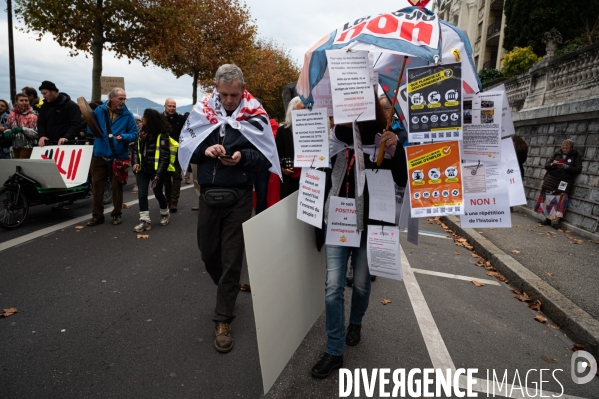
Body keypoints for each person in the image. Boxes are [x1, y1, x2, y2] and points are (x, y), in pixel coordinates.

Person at [182, 64, 280, 353]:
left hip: (238, 196)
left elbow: (265, 156)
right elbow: (188, 146)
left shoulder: (255, 112)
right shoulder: (201, 111)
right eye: (223, 94)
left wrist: (241, 157)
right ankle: (229, 286)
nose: (228, 100)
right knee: (208, 252)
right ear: (215, 88)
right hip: (210, 196)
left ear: (243, 89)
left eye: (234, 95)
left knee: (232, 257)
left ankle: (223, 319)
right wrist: (205, 150)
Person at [311, 100, 407, 379]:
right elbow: (316, 169)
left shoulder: (386, 137)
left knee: (362, 284)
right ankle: (333, 350)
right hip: (339, 220)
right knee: (333, 287)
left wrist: (394, 149)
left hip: (373, 224)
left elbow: (402, 179)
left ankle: (356, 322)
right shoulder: (335, 137)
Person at [86, 87, 138, 226]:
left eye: (124, 99)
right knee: (97, 187)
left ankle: (117, 214)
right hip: (99, 154)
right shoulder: (99, 110)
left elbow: (134, 133)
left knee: (117, 187)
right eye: (120, 99)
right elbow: (90, 128)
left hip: (118, 155)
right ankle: (97, 216)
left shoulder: (128, 115)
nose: (123, 101)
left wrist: (125, 137)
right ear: (111, 98)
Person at [131, 109, 172, 232]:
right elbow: (135, 150)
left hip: (156, 170)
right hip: (143, 169)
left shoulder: (162, 134)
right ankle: (145, 220)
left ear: (150, 119)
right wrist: (135, 162)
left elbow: (165, 157)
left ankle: (165, 213)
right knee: (142, 193)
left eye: (145, 117)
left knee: (158, 193)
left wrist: (159, 174)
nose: (142, 118)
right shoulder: (141, 132)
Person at [534, 139, 582, 228]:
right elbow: (546, 166)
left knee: (560, 201)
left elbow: (578, 169)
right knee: (550, 199)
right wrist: (553, 164)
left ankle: (556, 221)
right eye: (563, 148)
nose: (564, 149)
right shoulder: (557, 154)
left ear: (571, 148)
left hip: (565, 181)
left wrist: (566, 166)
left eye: (567, 148)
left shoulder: (575, 156)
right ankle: (548, 219)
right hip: (552, 179)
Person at [37, 81, 81, 147]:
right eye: (42, 94)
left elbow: (76, 124)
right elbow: (41, 123)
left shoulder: (71, 105)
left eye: (45, 93)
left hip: (67, 144)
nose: (44, 96)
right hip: (48, 144)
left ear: (54, 91)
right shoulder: (44, 106)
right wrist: (42, 136)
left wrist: (67, 136)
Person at [276, 96, 304, 199]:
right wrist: (282, 168)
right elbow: (277, 155)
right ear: (293, 111)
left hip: (310, 180)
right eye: (303, 108)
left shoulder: (314, 130)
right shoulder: (283, 131)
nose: (307, 111)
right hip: (291, 180)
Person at [162, 98, 186, 213]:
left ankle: (174, 201)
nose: (172, 108)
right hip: (164, 153)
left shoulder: (181, 119)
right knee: (166, 177)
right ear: (165, 106)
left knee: (177, 177)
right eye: (169, 106)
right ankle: (168, 199)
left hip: (177, 153)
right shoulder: (160, 119)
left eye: (174, 106)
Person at [5, 94, 38, 159]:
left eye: (26, 100)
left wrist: (23, 129)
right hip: (14, 146)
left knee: (22, 166)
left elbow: (36, 134)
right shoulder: (11, 115)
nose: (24, 102)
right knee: (17, 166)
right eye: (21, 100)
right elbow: (8, 127)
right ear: (16, 102)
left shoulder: (32, 116)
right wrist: (7, 131)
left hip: (28, 146)